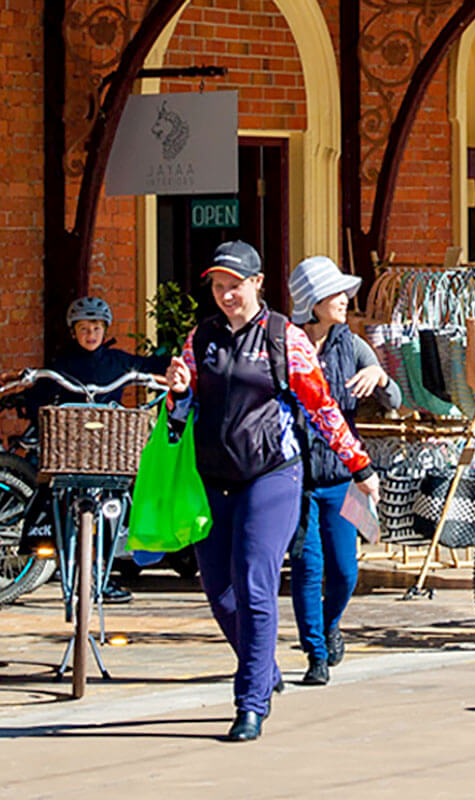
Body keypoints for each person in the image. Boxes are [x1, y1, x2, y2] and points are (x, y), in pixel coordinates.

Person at [165, 241, 380, 742]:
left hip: (273, 474)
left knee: (254, 581)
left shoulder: (284, 337)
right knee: (219, 594)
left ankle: (250, 703)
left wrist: (359, 464)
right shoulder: (202, 338)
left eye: (234, 285)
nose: (225, 295)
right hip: (213, 479)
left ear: (257, 283)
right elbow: (180, 411)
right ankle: (264, 668)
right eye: (218, 287)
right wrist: (177, 389)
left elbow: (323, 408)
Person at [286, 256, 402, 686]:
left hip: (343, 477)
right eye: (335, 293)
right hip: (295, 477)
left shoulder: (351, 344)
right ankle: (314, 654)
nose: (345, 299)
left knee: (345, 571)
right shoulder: (286, 345)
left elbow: (395, 398)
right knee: (306, 567)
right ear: (312, 302)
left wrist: (379, 375)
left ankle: (330, 623)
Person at [23, 296, 171, 604]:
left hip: (108, 448)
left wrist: (170, 361)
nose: (91, 335)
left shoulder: (117, 361)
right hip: (70, 448)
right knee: (58, 502)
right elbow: (38, 396)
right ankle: (71, 566)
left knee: (114, 503)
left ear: (105, 331)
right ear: (72, 331)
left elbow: (150, 367)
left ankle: (102, 572)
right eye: (83, 328)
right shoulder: (62, 364)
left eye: (96, 328)